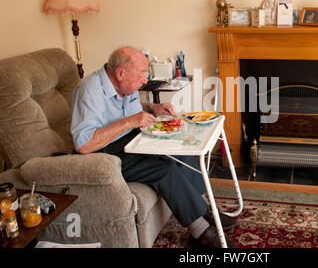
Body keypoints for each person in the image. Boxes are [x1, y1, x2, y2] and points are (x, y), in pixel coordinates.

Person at [70, 46, 237, 248]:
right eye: (141, 74)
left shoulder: (122, 85)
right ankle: (200, 230)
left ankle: (206, 210)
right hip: (104, 155)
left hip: (129, 141)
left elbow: (129, 106)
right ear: (121, 73)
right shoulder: (90, 90)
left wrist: (152, 108)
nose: (145, 80)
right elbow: (84, 144)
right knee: (164, 169)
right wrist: (130, 121)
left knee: (178, 148)